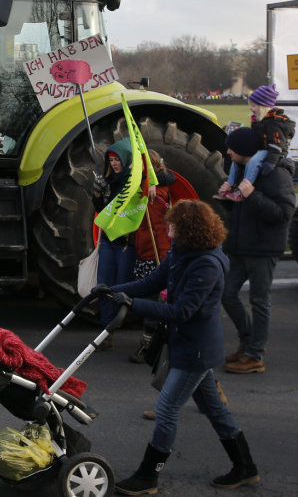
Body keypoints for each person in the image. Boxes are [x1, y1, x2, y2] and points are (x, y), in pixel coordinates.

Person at [97, 200, 259, 494]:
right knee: (215, 410)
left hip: (195, 349)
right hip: (187, 343)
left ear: (187, 229)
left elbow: (184, 311)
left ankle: (149, 476)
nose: (167, 227)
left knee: (167, 408)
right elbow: (152, 280)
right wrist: (113, 291)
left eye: (172, 224)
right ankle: (245, 467)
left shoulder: (206, 264)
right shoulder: (182, 253)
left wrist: (133, 304)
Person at [220, 126, 297, 374]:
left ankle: (255, 355)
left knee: (259, 301)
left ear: (244, 149)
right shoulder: (243, 170)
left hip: (263, 249)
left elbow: (285, 213)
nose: (228, 152)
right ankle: (248, 341)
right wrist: (228, 198)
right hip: (241, 247)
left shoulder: (275, 174)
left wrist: (251, 196)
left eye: (232, 147)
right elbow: (243, 211)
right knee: (227, 293)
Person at [128, 149, 175, 364]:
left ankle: (149, 346)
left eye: (135, 166)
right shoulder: (149, 190)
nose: (130, 169)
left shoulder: (153, 196)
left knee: (152, 301)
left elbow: (156, 226)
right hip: (149, 251)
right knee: (155, 300)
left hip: (155, 252)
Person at [90, 138, 136, 350]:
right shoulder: (110, 182)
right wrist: (98, 193)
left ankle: (117, 324)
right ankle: (105, 331)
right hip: (109, 240)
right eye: (111, 160)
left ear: (126, 159)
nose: (114, 164)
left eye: (117, 159)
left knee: (121, 285)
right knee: (105, 284)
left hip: (126, 243)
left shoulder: (134, 183)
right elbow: (102, 210)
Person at [215, 85, 294, 201]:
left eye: (254, 106)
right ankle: (230, 185)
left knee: (254, 160)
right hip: (262, 149)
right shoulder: (259, 120)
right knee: (236, 160)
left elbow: (276, 145)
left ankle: (244, 188)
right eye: (250, 105)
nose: (251, 108)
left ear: (263, 106)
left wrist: (271, 162)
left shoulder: (274, 123)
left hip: (273, 153)